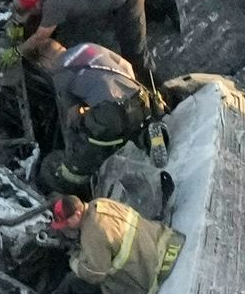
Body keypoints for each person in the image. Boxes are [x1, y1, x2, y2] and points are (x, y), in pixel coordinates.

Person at [38, 41, 158, 193]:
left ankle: (81, 178)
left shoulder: (59, 72)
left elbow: (73, 115)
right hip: (139, 97)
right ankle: (148, 136)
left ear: (45, 60)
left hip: (110, 113)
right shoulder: (89, 47)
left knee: (89, 141)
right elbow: (127, 66)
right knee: (128, 126)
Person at [11, 0, 152, 76]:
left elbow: (41, 36)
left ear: (36, 5)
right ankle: (165, 7)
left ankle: (158, 85)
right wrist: (18, 26)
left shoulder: (55, 1)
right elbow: (30, 10)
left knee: (133, 49)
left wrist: (17, 52)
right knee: (134, 7)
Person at [47, 191, 182, 294]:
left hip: (142, 276)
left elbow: (96, 274)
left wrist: (74, 261)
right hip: (153, 242)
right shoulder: (100, 203)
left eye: (66, 222)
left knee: (70, 283)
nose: (65, 227)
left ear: (77, 214)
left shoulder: (91, 234)